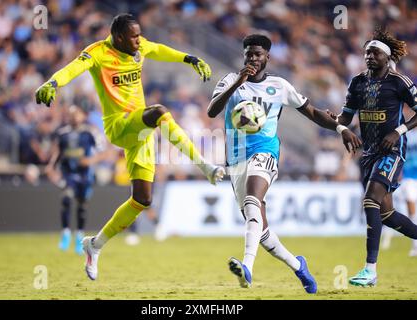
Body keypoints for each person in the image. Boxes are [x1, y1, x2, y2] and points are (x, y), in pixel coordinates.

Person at [35, 13, 225, 280]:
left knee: (142, 200)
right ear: (119, 37)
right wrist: (52, 82)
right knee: (159, 112)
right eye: (134, 36)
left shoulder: (138, 47)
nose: (139, 41)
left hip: (141, 133)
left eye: (139, 35)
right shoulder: (98, 53)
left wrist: (188, 58)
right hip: (121, 126)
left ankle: (95, 245)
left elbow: (158, 49)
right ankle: (205, 166)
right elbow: (72, 69)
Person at [207, 34, 361, 293]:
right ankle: (298, 266)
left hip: (265, 151)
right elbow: (212, 110)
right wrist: (237, 84)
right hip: (236, 159)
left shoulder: (279, 86)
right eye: (249, 54)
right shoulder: (230, 80)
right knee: (260, 228)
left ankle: (247, 267)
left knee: (252, 202)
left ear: (268, 56)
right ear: (243, 55)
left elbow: (312, 112)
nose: (253, 58)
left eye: (258, 54)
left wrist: (340, 128)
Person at [331, 29, 417, 287]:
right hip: (368, 153)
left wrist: (399, 130)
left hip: (392, 150)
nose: (369, 56)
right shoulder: (357, 82)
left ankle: (370, 270)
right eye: (367, 52)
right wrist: (338, 125)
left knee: (370, 200)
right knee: (387, 213)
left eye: (375, 52)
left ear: (386, 57)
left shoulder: (400, 82)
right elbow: (345, 118)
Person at [46, 104, 110, 255]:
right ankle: (66, 233)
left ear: (83, 115)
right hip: (68, 173)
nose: (74, 116)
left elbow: (105, 152)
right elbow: (57, 152)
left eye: (77, 113)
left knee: (82, 206)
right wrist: (51, 166)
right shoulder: (62, 133)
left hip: (85, 175)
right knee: (67, 198)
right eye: (71, 114)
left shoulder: (90, 132)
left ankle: (79, 235)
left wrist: (90, 161)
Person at [380, 128, 417, 256]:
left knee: (399, 211)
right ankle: (415, 246)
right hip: (409, 179)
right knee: (406, 210)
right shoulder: (405, 135)